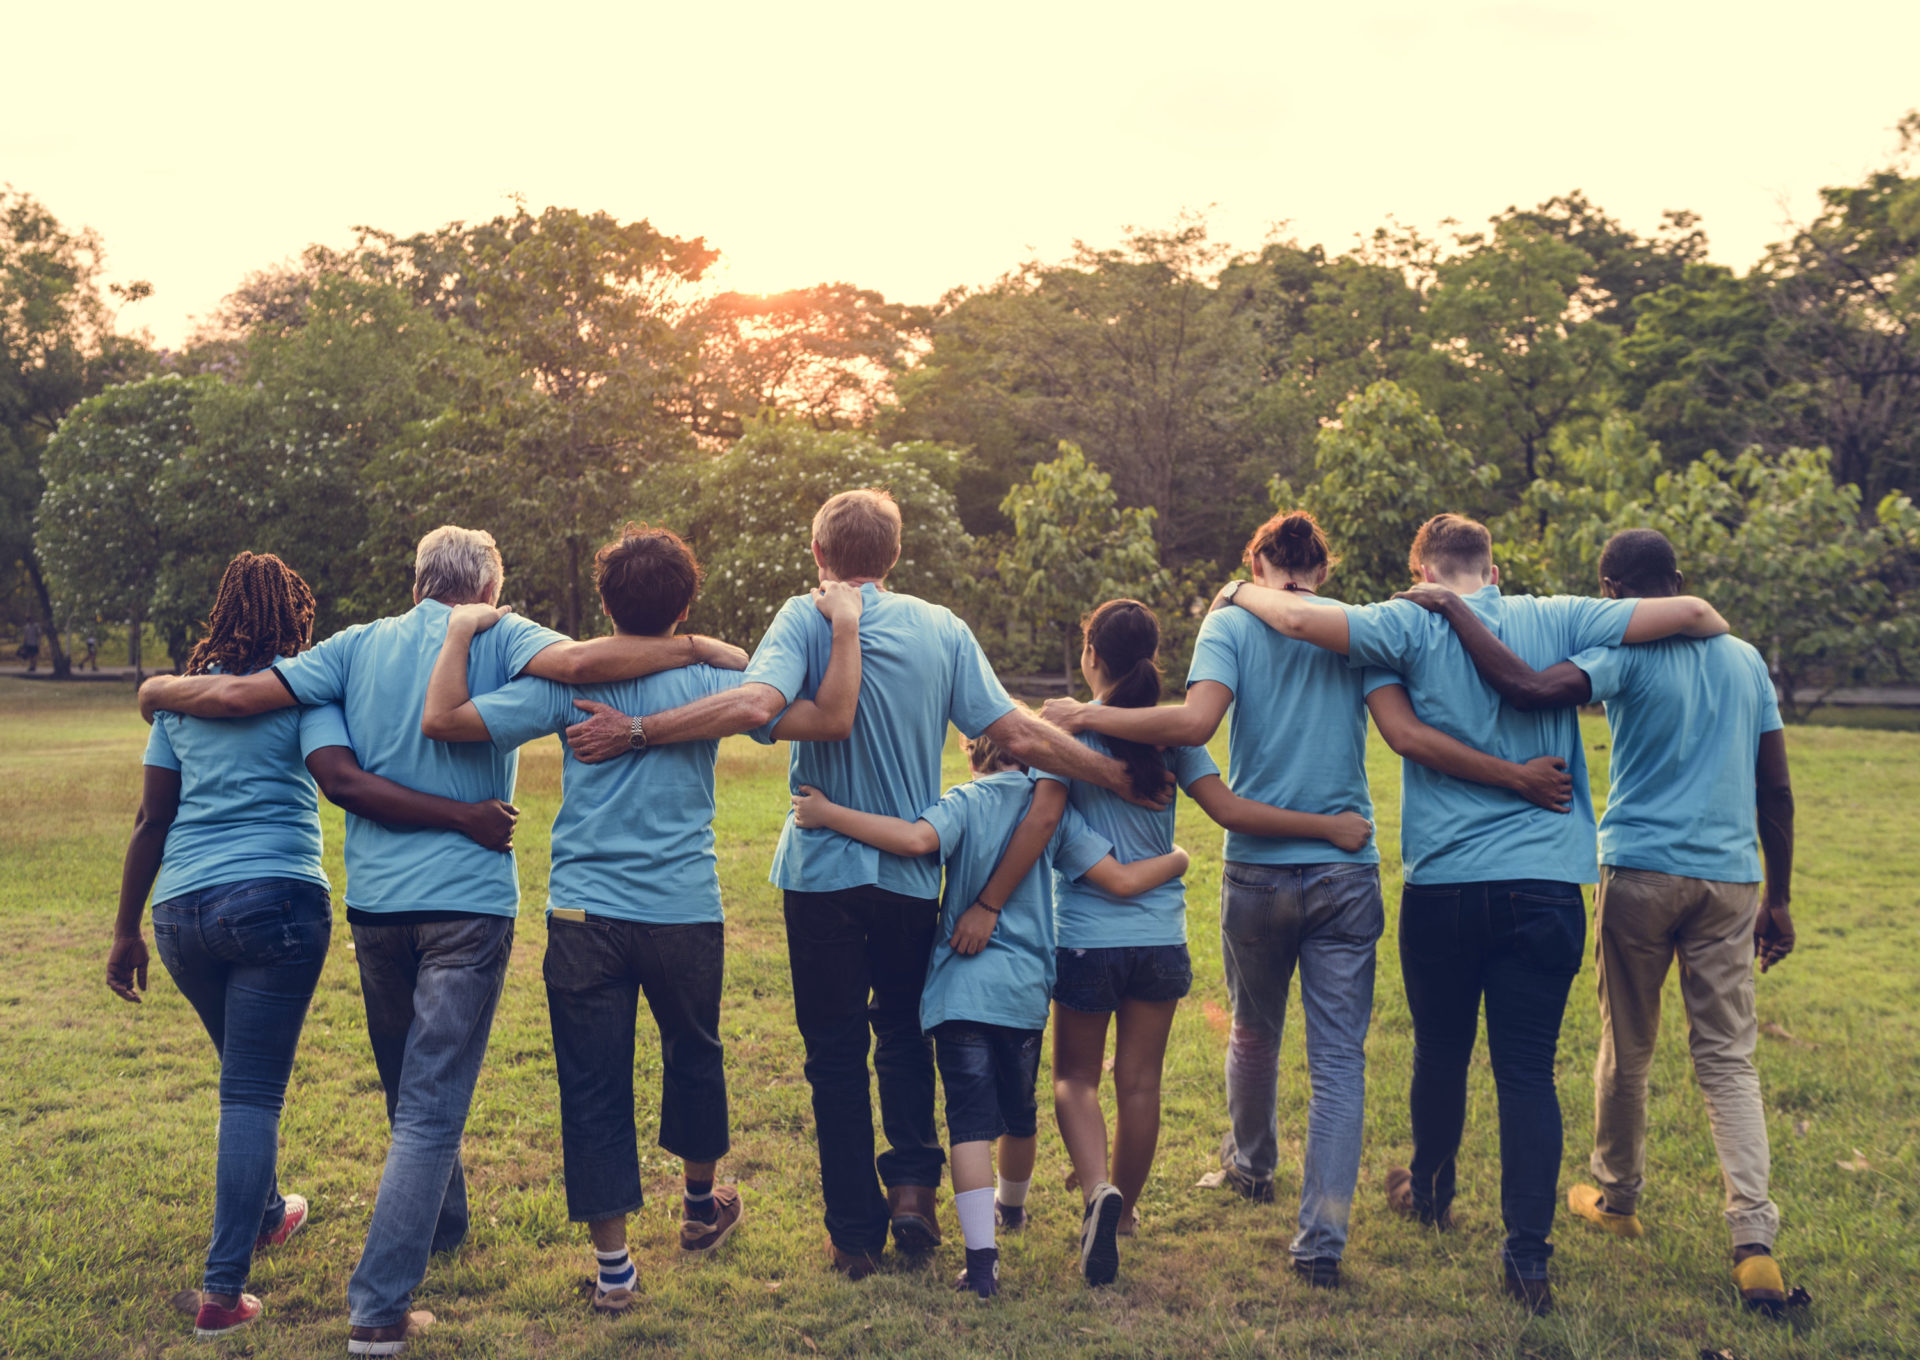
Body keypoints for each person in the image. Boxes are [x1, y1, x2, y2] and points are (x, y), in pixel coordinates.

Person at [137, 525, 742, 1357]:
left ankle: (445, 1223)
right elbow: (585, 666)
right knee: (429, 1108)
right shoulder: (503, 633)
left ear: (418, 579)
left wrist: (159, 690)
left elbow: (242, 702)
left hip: (377, 906)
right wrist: (699, 645)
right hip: (468, 900)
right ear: (488, 588)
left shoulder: (351, 647)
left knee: (404, 1090)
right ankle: (379, 1308)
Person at [561, 488, 1158, 1280]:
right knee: (906, 1036)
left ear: (819, 555)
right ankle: (912, 1189)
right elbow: (1011, 731)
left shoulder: (805, 616)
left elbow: (752, 703)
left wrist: (637, 730)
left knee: (835, 1055)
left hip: (820, 873)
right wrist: (1112, 774)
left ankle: (853, 1234)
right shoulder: (940, 627)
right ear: (895, 557)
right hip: (911, 872)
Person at [1041, 513, 1580, 1289]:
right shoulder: (1353, 629)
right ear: (1323, 572)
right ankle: (1321, 1239)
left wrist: (1085, 715)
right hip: (1344, 869)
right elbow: (1400, 731)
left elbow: (1194, 723)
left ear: (1254, 562)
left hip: (1257, 871)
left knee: (1254, 1034)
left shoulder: (1229, 625)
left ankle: (1252, 1165)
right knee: (1338, 1063)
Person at [1219, 512, 1731, 1313]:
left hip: (1447, 884)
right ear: (1492, 572)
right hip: (1548, 886)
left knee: (1441, 1052)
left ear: (1421, 571)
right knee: (1526, 1070)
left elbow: (1295, 617)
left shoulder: (1405, 623)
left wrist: (1235, 589)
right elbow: (1698, 614)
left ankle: (1429, 1190)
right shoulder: (1558, 615)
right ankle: (1527, 1259)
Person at [417, 525, 866, 1313]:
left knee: (593, 1082)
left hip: (585, 911)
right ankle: (699, 1208)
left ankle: (615, 1271)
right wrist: (728, 652)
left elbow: (449, 719)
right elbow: (813, 712)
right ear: (685, 600)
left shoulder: (569, 684)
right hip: (683, 907)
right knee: (695, 1054)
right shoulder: (710, 682)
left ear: (604, 602)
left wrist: (458, 639)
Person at [107, 552, 519, 1341]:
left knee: (242, 1078)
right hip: (276, 905)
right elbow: (342, 780)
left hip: (183, 912)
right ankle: (221, 1293)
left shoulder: (183, 703)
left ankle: (267, 1212)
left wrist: (127, 929)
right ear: (294, 615)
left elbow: (151, 819)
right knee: (251, 1094)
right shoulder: (310, 685)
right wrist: (463, 814)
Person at [1392, 528, 1799, 1313]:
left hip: (1640, 869)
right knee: (1728, 1061)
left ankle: (1617, 1198)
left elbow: (1531, 688)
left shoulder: (1625, 656)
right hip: (1731, 881)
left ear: (1610, 592)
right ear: (1676, 582)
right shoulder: (1746, 660)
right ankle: (1754, 1242)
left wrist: (1448, 605)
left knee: (1629, 1042)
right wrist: (1778, 898)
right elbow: (1774, 789)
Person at [1036, 597, 1378, 1287]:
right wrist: (1329, 827)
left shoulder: (1067, 731)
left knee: (1075, 1078)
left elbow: (1029, 789)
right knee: (1140, 1083)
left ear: (1091, 656)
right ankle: (1124, 1213)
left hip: (1087, 939)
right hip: (1160, 940)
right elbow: (1227, 810)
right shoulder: (1172, 740)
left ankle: (1097, 1188)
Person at [790, 734, 1187, 1298]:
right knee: (1017, 1116)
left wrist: (827, 812)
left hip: (959, 995)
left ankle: (982, 1266)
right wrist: (1179, 858)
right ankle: (1014, 1209)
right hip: (1024, 996)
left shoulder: (964, 801)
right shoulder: (1052, 812)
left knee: (970, 1126)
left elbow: (912, 839)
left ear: (973, 755)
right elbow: (1119, 880)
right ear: (1033, 757)